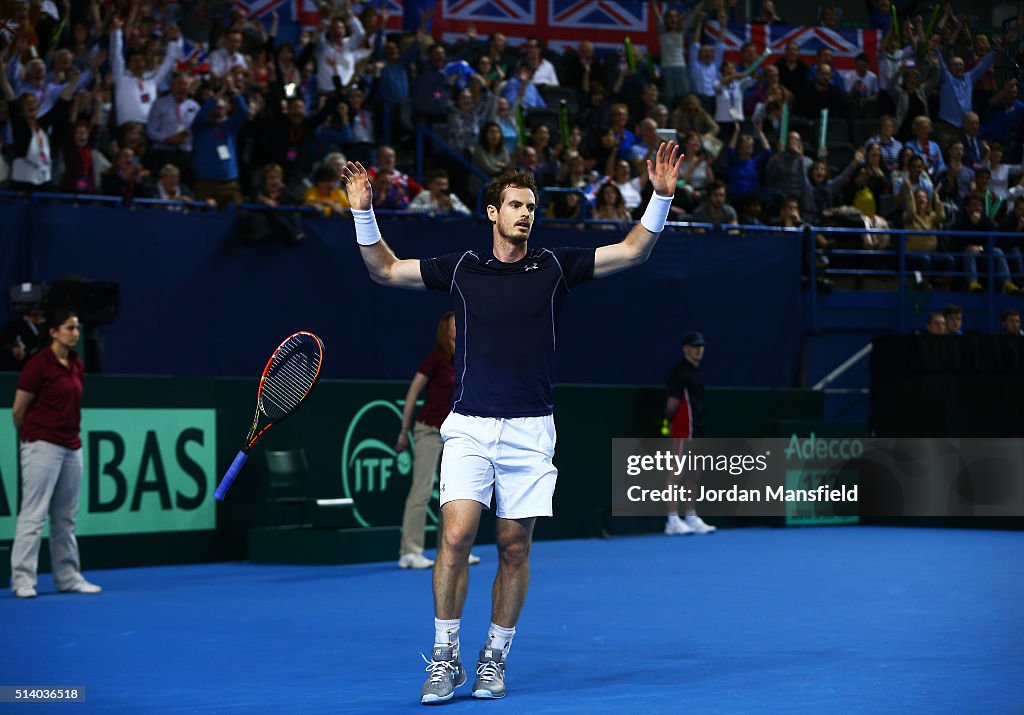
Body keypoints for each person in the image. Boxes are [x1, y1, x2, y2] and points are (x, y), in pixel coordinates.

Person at [341, 141, 684, 704]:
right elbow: (382, 270)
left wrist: (661, 198)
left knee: (514, 548)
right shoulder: (461, 269)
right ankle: (445, 657)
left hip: (531, 430)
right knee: (453, 536)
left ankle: (493, 658)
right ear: (492, 213)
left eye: (532, 205)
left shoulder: (556, 266)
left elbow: (633, 251)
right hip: (470, 426)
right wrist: (362, 209)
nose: (527, 213)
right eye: (517, 205)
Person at [10, 307, 101, 598]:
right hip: (41, 445)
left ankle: (68, 577)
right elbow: (19, 410)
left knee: (65, 518)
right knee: (34, 515)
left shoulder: (76, 364)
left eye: (76, 328)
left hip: (72, 446)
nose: (75, 333)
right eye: (69, 328)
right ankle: (23, 580)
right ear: (53, 332)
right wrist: (34, 438)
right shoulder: (38, 365)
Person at [394, 312, 480, 570]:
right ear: (445, 330)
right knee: (421, 491)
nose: (459, 327)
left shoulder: (468, 359)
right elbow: (412, 394)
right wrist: (404, 430)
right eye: (454, 324)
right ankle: (409, 552)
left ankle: (451, 550)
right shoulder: (435, 360)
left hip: (458, 435)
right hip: (429, 430)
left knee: (455, 495)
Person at [663, 331, 717, 535]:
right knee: (676, 474)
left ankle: (691, 516)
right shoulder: (680, 373)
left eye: (701, 347)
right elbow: (671, 406)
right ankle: (672, 520)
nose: (699, 350)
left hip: (698, 432)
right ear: (685, 349)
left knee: (693, 475)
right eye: (695, 346)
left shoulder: (698, 373)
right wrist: (667, 426)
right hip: (683, 432)